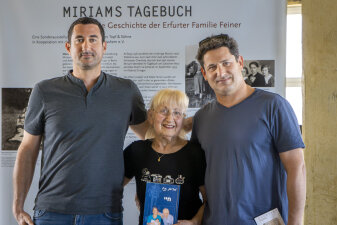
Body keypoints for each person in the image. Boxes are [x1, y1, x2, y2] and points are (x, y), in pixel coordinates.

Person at [12, 17, 149, 225]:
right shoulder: (44, 91)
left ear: (104, 46)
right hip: (52, 212)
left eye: (93, 39)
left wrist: (146, 186)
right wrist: (17, 205)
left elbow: (152, 141)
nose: (86, 46)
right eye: (79, 40)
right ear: (68, 47)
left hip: (105, 213)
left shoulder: (126, 91)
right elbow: (27, 149)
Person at [192, 34, 306, 225]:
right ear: (204, 74)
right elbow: (197, 174)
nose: (220, 72)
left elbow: (297, 168)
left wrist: (295, 223)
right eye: (212, 67)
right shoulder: (201, 118)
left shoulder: (274, 106)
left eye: (226, 63)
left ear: (240, 62)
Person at [124, 89, 206, 225]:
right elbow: (111, 188)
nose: (170, 118)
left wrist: (194, 222)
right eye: (163, 111)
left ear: (183, 118)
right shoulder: (136, 150)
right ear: (150, 116)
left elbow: (210, 201)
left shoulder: (195, 153)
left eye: (177, 113)